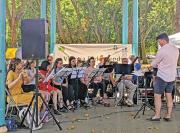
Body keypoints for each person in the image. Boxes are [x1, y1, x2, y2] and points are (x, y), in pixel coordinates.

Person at [149, 33, 179, 121]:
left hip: (162, 77)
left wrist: (150, 65)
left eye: (159, 41)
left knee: (157, 96)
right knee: (169, 95)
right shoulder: (176, 49)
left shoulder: (162, 50)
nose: (159, 43)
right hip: (172, 76)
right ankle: (168, 115)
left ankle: (157, 116)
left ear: (163, 40)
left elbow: (155, 63)